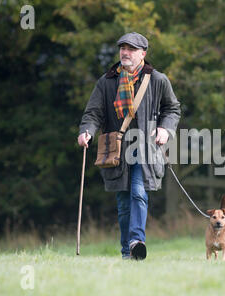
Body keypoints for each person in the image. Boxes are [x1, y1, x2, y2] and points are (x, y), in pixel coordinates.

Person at [77, 32, 181, 260]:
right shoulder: (106, 82)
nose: (125, 52)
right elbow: (93, 113)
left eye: (131, 49)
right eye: (122, 48)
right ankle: (128, 252)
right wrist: (86, 132)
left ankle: (136, 241)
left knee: (138, 193)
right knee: (123, 202)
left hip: (146, 148)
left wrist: (165, 129)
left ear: (143, 53)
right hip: (117, 149)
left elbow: (172, 109)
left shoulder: (157, 80)